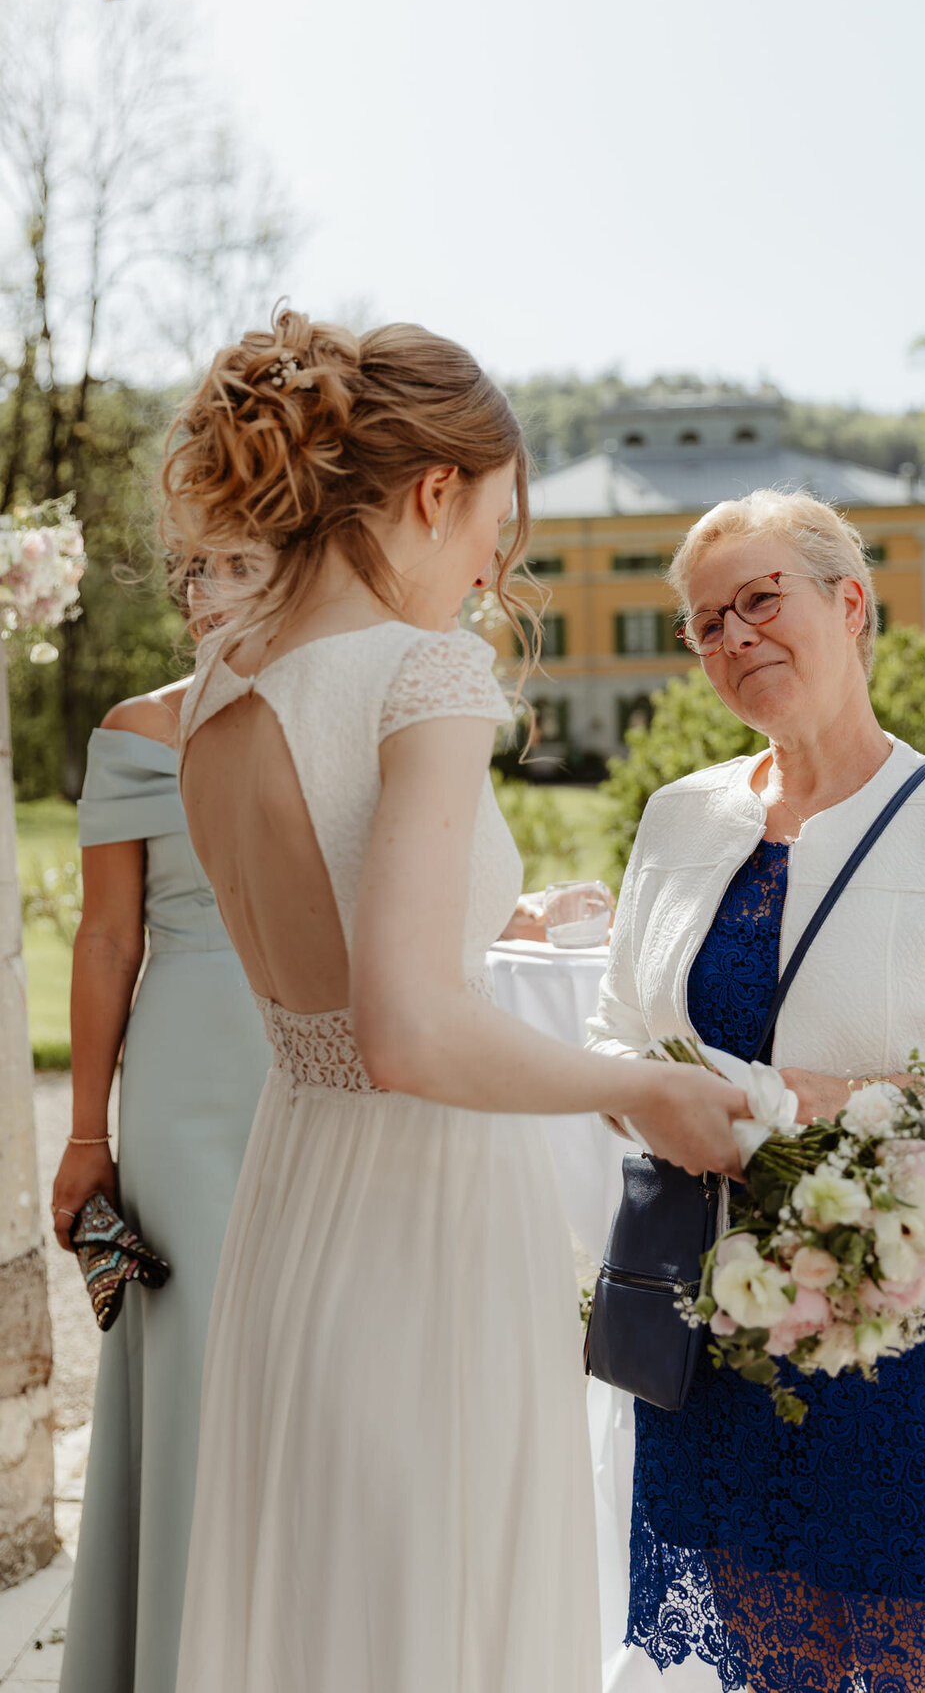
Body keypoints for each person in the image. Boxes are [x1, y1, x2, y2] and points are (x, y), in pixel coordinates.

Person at [161, 310, 747, 1693]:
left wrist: (503, 922)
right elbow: (408, 1029)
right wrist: (643, 1086)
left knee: (316, 1602)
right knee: (438, 1612)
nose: (496, 565)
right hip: (424, 1221)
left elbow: (344, 958)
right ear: (435, 493)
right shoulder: (425, 674)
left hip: (297, 1201)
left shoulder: (213, 696)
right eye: (500, 522)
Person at [587, 488, 925, 1693]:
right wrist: (663, 1104)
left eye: (760, 600)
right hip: (724, 1345)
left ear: (852, 604)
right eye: (706, 622)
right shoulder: (678, 821)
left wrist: (827, 1107)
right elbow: (615, 1036)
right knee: (767, 1671)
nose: (734, 638)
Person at [51, 677, 271, 1693]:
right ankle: (185, 1660)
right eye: (195, 567)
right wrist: (88, 1132)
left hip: (340, 1067)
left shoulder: (357, 691)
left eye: (240, 556)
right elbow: (105, 938)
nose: (212, 588)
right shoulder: (136, 732)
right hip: (187, 1082)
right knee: (194, 1369)